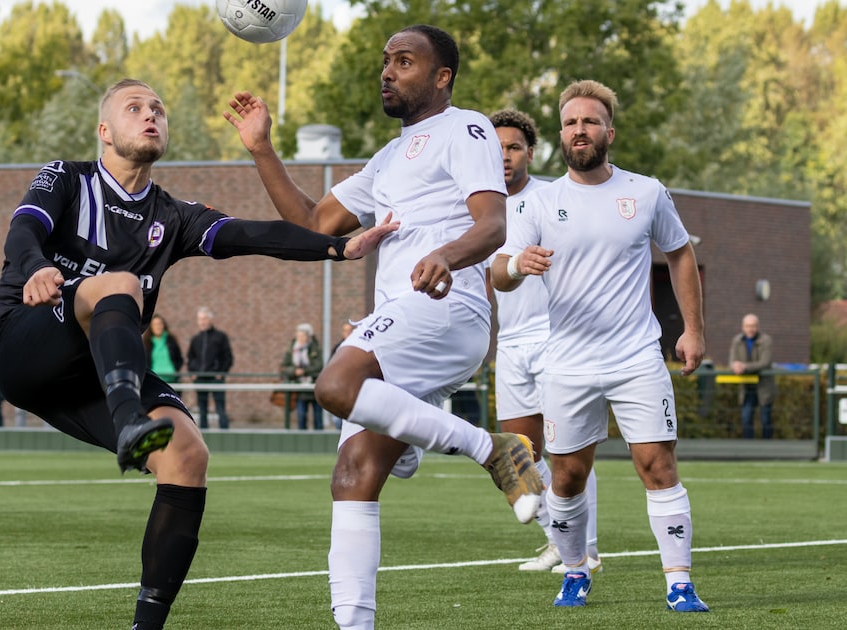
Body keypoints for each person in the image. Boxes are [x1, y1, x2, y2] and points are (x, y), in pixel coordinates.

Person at [0, 77, 396, 630]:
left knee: (187, 455)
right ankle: (131, 421)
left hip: (93, 374)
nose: (150, 114)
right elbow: (22, 231)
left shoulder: (171, 215)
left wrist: (338, 246)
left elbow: (249, 233)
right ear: (105, 132)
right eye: (135, 108)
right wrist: (35, 268)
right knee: (121, 286)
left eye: (158, 108)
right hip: (21, 344)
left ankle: (146, 626)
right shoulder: (69, 177)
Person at [225, 25, 544, 629]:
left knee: (336, 384)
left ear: (441, 77)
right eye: (385, 61)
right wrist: (262, 149)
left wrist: (447, 255)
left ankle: (491, 449)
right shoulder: (388, 157)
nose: (387, 71)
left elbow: (494, 224)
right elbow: (316, 222)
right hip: (400, 321)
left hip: (447, 307)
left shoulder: (467, 127)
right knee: (351, 477)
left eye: (404, 61)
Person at [491, 80, 709, 611]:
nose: (579, 130)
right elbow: (500, 273)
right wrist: (520, 264)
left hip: (637, 357)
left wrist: (693, 329)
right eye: (570, 123)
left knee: (657, 464)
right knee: (567, 475)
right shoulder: (539, 203)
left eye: (589, 121)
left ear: (608, 132)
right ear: (562, 136)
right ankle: (574, 571)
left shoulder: (647, 191)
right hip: (566, 360)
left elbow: (679, 253)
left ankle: (679, 582)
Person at [487, 109, 601, 574]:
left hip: (559, 339)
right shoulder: (479, 207)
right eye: (495, 150)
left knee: (567, 451)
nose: (505, 157)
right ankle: (560, 541)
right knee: (519, 455)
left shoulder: (555, 198)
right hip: (510, 344)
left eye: (513, 148)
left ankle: (585, 550)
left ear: (531, 153)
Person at [186, 307, 234, 429]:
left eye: (205, 318)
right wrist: (192, 372)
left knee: (220, 407)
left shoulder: (220, 337)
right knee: (202, 408)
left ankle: (225, 432)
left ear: (210, 320)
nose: (202, 322)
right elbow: (190, 357)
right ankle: (203, 432)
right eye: (200, 319)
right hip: (200, 378)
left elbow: (228, 357)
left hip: (216, 378)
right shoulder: (196, 339)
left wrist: (221, 372)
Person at [730, 313, 776, 439]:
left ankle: (767, 447)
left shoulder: (765, 341)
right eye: (748, 326)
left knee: (765, 418)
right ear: (743, 327)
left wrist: (744, 367)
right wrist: (735, 366)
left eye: (753, 326)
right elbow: (732, 361)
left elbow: (764, 362)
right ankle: (749, 448)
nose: (750, 329)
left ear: (757, 326)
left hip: (764, 386)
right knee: (746, 418)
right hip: (746, 387)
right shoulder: (737, 341)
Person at [280, 322, 323, 430]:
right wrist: (295, 371)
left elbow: (318, 366)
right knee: (301, 415)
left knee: (318, 417)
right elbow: (284, 367)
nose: (300, 338)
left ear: (308, 336)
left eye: (303, 336)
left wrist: (304, 371)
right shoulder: (292, 350)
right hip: (299, 388)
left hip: (313, 387)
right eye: (298, 335)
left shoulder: (315, 349)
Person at [143, 314, 184, 383]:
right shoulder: (147, 343)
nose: (158, 327)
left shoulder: (171, 340)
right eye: (155, 325)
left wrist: (175, 370)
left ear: (163, 325)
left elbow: (179, 358)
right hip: (155, 380)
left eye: (159, 324)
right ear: (151, 327)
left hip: (172, 379)